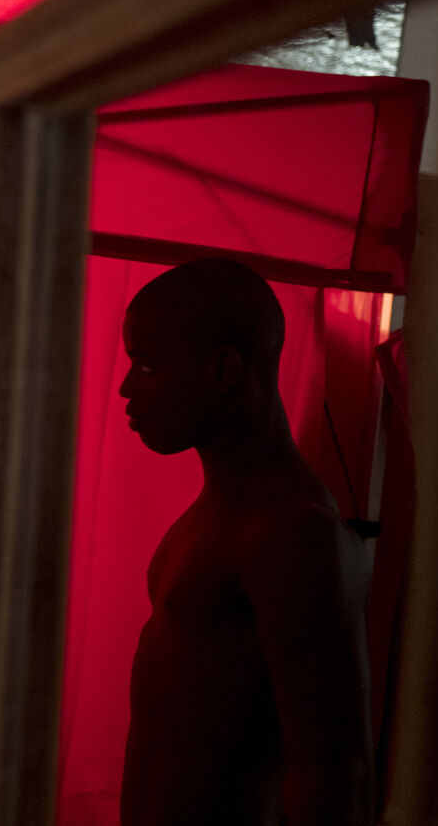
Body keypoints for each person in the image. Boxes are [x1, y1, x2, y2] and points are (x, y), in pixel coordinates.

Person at [117, 258, 373, 826]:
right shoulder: (215, 515)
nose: (127, 388)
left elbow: (335, 772)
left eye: (147, 366)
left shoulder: (293, 532)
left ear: (223, 369)